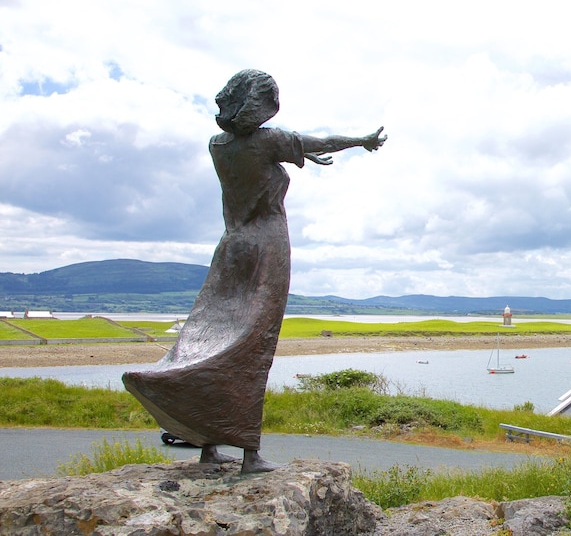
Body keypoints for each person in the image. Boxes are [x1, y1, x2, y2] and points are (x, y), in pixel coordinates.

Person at [123, 69, 385, 472]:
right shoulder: (269, 141)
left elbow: (273, 153)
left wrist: (297, 154)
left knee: (211, 332)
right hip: (267, 245)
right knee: (253, 345)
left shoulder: (218, 145)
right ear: (261, 104)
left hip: (231, 246)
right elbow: (321, 140)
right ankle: (250, 454)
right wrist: (362, 141)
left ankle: (209, 446)